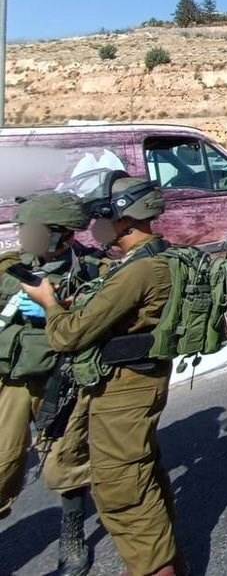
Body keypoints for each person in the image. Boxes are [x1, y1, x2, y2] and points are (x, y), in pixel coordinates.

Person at [23, 174, 183, 576]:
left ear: (123, 216)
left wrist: (49, 303)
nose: (96, 226)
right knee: (143, 472)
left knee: (122, 490)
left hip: (124, 387)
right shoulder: (155, 257)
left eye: (102, 215)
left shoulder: (137, 270)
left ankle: (153, 566)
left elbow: (67, 336)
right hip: (140, 380)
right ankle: (166, 559)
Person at [0, 192, 99, 576]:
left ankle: (72, 535)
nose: (26, 237)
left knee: (65, 463)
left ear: (65, 235)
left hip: (61, 380)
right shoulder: (11, 267)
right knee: (3, 461)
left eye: (36, 231)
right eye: (24, 229)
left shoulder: (91, 270)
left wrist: (60, 308)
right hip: (11, 378)